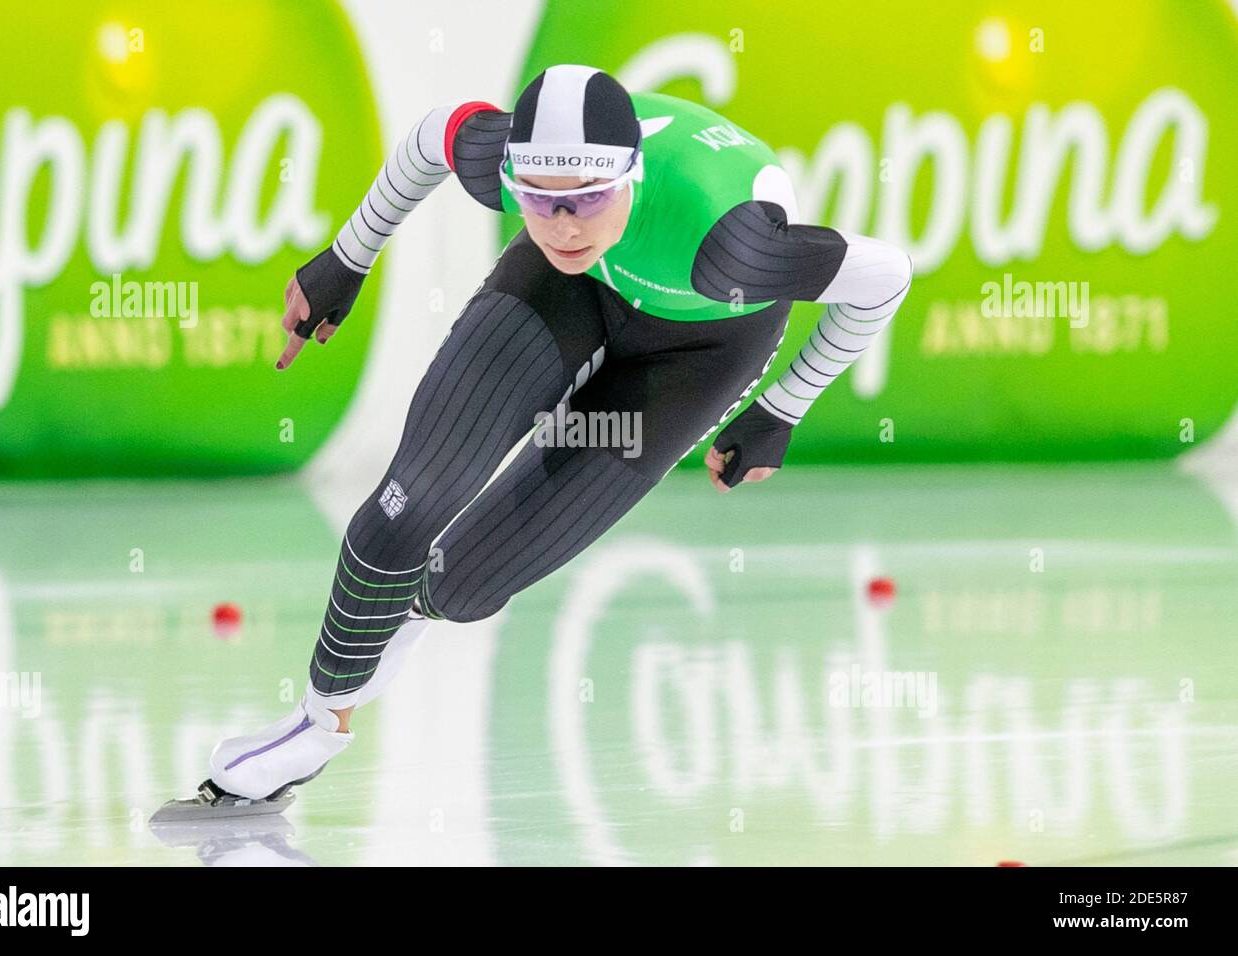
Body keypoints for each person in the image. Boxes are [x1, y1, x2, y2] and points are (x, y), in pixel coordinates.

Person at [205, 64, 912, 805]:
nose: (565, 224)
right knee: (407, 509)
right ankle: (316, 726)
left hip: (702, 346)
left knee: (462, 583)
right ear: (517, 175)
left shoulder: (732, 246)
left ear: (632, 176)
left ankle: (401, 621)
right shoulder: (519, 179)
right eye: (540, 201)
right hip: (567, 288)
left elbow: (886, 276)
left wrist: (783, 408)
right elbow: (427, 141)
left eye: (587, 199)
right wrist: (346, 259)